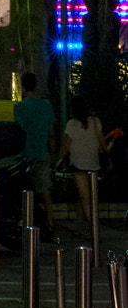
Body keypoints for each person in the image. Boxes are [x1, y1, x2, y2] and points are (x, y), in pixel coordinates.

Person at [14, 72, 55, 230]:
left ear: (23, 86)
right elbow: (52, 132)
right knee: (45, 191)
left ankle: (29, 222)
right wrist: (53, 153)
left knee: (25, 191)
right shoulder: (46, 105)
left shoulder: (20, 107)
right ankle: (50, 222)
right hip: (42, 152)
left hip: (24, 155)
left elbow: (17, 131)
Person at [62, 95, 106, 226]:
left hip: (78, 162)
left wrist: (58, 156)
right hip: (94, 162)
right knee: (93, 196)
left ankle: (92, 224)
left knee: (84, 195)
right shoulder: (95, 121)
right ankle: (86, 220)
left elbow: (67, 146)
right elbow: (102, 142)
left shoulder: (71, 124)